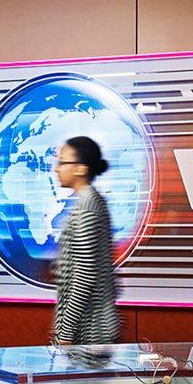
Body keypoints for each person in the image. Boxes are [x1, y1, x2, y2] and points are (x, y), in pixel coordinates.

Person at [51, 136, 121, 346]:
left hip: (88, 333)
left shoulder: (87, 206)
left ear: (81, 169)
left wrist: (66, 333)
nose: (57, 169)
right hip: (90, 330)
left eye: (62, 163)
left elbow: (84, 275)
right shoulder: (91, 201)